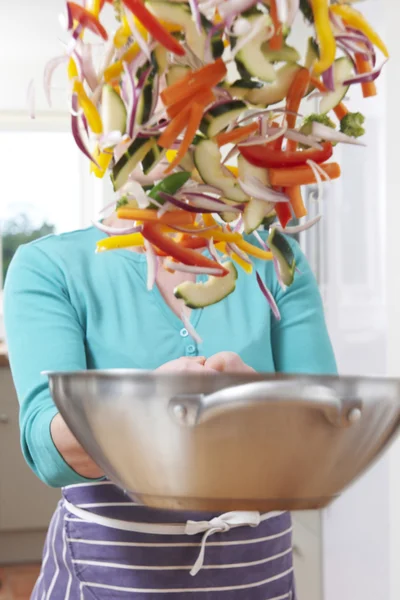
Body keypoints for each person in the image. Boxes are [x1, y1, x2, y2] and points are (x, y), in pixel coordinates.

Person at [4, 209, 336, 600]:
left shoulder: (276, 257)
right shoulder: (50, 264)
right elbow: (50, 453)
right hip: (110, 576)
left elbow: (327, 438)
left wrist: (262, 407)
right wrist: (139, 408)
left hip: (255, 573)